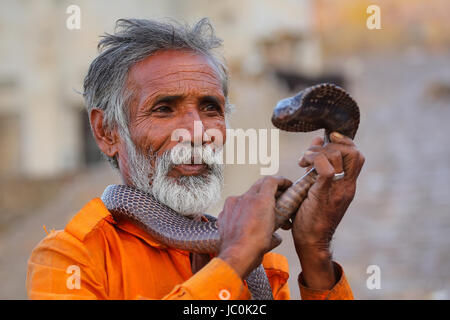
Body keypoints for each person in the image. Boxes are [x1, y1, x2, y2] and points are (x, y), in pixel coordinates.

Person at [26, 18, 364, 300]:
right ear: (107, 133)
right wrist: (234, 261)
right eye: (163, 109)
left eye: (210, 108)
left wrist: (316, 249)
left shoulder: (260, 261)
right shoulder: (70, 259)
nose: (197, 131)